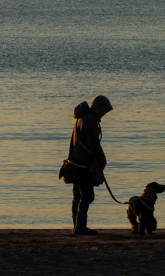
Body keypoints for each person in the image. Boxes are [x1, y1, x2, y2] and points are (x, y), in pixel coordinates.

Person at [66, 95, 113, 235]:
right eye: (105, 111)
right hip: (84, 165)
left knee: (77, 195)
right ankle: (80, 226)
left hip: (76, 163)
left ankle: (76, 225)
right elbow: (94, 144)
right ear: (100, 108)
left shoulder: (81, 119)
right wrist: (102, 161)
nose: (105, 114)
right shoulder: (89, 121)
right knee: (87, 196)